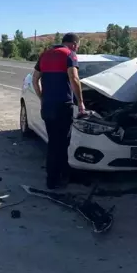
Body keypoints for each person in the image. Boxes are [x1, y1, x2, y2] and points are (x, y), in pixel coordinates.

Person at [32, 33, 85, 189]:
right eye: (78, 46)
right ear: (74, 44)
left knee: (54, 142)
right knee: (61, 144)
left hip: (47, 106)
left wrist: (42, 98)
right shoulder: (70, 54)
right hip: (63, 106)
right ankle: (55, 179)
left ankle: (59, 176)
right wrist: (81, 102)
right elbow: (74, 79)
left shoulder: (44, 55)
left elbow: (35, 80)